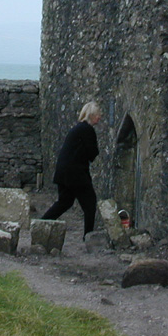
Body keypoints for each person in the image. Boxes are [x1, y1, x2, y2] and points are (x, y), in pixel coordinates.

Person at [41, 101, 102, 237]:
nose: (100, 117)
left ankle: (41, 224)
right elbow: (92, 153)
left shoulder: (78, 129)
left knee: (64, 202)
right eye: (98, 114)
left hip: (64, 172)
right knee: (90, 204)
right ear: (91, 115)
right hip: (76, 174)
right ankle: (89, 237)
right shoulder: (87, 130)